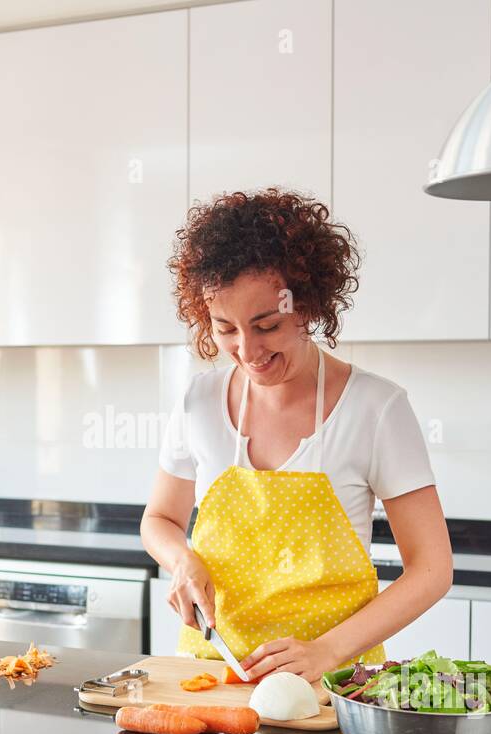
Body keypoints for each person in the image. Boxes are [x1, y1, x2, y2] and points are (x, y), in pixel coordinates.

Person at [141, 188, 453, 681]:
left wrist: (326, 652)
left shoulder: (376, 409)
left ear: (308, 305)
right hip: (211, 677)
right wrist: (180, 560)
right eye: (225, 328)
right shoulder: (198, 402)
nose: (247, 350)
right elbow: (159, 519)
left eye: (267, 325)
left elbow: (433, 569)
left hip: (334, 684)